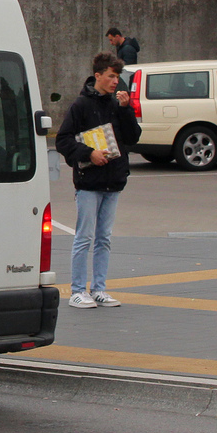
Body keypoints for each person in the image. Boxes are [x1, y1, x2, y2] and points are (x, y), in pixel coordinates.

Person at [56, 52, 141, 309]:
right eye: (111, 76)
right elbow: (63, 140)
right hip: (89, 182)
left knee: (104, 237)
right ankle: (78, 290)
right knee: (85, 237)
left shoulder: (117, 105)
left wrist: (126, 110)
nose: (116, 82)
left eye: (118, 77)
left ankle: (100, 289)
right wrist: (88, 154)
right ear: (98, 76)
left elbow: (132, 137)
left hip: (113, 180)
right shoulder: (81, 106)